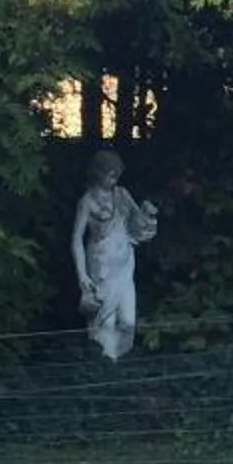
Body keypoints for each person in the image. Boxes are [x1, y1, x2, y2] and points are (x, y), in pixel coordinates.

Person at [70, 150, 159, 361]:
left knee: (128, 322)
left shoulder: (121, 195)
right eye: (109, 174)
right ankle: (107, 366)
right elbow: (76, 240)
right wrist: (82, 276)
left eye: (116, 174)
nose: (113, 179)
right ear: (98, 173)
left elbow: (138, 224)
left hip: (124, 265)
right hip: (102, 268)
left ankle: (118, 364)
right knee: (105, 323)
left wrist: (147, 214)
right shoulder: (87, 201)